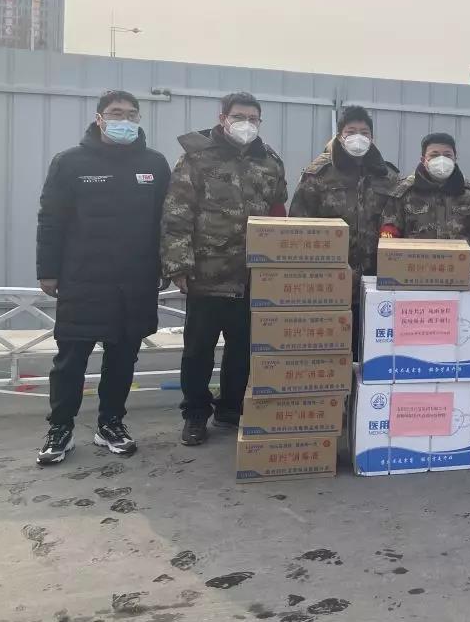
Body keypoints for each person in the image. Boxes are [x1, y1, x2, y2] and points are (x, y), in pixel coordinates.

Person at [35, 90, 171, 465]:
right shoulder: (70, 162)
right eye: (115, 113)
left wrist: (166, 266)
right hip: (82, 277)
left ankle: (110, 423)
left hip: (135, 280)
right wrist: (47, 270)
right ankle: (60, 428)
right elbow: (51, 219)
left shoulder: (155, 164)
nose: (124, 120)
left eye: (131, 114)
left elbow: (167, 222)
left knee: (123, 358)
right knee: (70, 360)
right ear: (99, 118)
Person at [161, 92, 287, 446]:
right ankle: (195, 414)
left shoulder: (270, 161)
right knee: (198, 350)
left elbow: (279, 213)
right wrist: (179, 264)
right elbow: (177, 213)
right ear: (223, 119)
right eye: (239, 117)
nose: (246, 123)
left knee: (243, 349)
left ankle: (231, 408)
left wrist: (280, 266)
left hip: (253, 276)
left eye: (253, 118)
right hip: (207, 272)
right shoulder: (197, 157)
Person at [289, 105, 399, 355]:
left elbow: (398, 223)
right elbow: (298, 225)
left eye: (364, 132)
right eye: (351, 131)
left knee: (373, 354)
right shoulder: (318, 174)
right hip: (329, 286)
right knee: (332, 353)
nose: (358, 137)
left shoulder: (388, 176)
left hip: (377, 285)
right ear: (340, 136)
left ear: (372, 138)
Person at [378, 132, 470, 276]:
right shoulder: (405, 193)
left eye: (447, 155)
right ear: (423, 160)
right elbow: (389, 237)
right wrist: (393, 275)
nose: (441, 160)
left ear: (455, 158)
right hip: (414, 275)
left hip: (459, 276)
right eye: (434, 155)